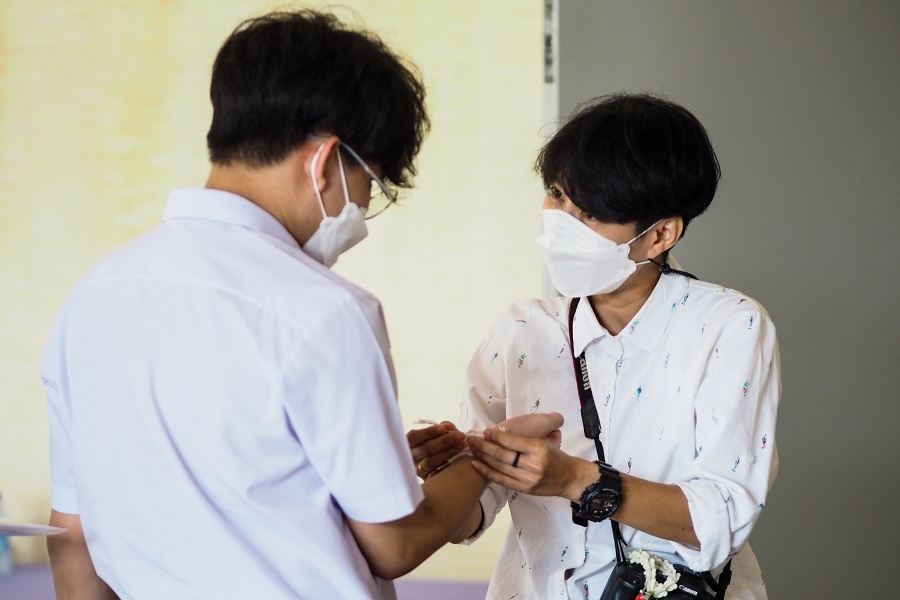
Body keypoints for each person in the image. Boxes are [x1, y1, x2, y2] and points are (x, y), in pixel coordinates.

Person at [41, 10, 489, 599]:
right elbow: (394, 545)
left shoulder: (93, 295)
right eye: (371, 183)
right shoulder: (327, 311)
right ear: (326, 162)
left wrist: (376, 473)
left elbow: (73, 533)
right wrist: (483, 462)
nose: (362, 208)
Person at [437, 93, 781, 599]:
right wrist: (446, 472)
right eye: (557, 194)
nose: (561, 222)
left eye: (592, 213)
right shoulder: (520, 330)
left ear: (660, 235)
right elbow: (469, 518)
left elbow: (721, 519)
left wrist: (576, 479)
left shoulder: (729, 327)